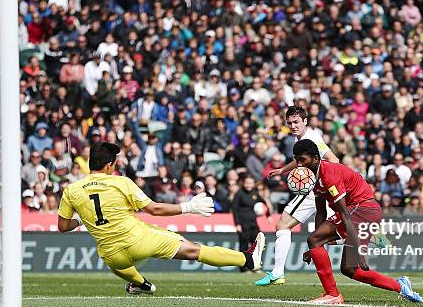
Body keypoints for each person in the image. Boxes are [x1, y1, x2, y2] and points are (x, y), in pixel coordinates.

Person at [57, 142, 265, 294]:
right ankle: (248, 259)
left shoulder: (72, 190)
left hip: (112, 255)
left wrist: (81, 221)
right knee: (193, 249)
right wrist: (188, 207)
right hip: (138, 241)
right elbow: (154, 209)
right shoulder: (121, 182)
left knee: (117, 263)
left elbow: (63, 226)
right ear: (110, 165)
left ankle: (140, 284)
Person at [294, 139, 423, 304]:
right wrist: (317, 246)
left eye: (302, 160)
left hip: (363, 210)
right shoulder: (312, 177)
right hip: (357, 211)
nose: (299, 165)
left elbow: (345, 214)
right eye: (296, 160)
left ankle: (332, 294)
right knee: (349, 269)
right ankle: (400, 286)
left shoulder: (329, 174)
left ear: (315, 158)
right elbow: (321, 211)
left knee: (316, 240)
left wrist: (358, 250)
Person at [254, 106, 339, 286]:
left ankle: (277, 273)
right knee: (337, 231)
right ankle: (375, 237)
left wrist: (320, 182)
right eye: (290, 123)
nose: (293, 126)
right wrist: (283, 170)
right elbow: (301, 159)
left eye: (296, 122)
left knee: (282, 225)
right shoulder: (302, 138)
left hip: (312, 190)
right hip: (318, 190)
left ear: (305, 121)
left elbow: (333, 160)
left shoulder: (312, 138)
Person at [231, 175, 267, 272]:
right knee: (244, 246)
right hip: (243, 223)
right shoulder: (239, 193)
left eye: (250, 183)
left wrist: (268, 215)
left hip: (253, 223)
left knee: (257, 244)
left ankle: (255, 267)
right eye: (247, 183)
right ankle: (243, 269)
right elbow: (234, 209)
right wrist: (237, 224)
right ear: (243, 183)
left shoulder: (255, 193)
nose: (248, 185)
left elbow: (263, 202)